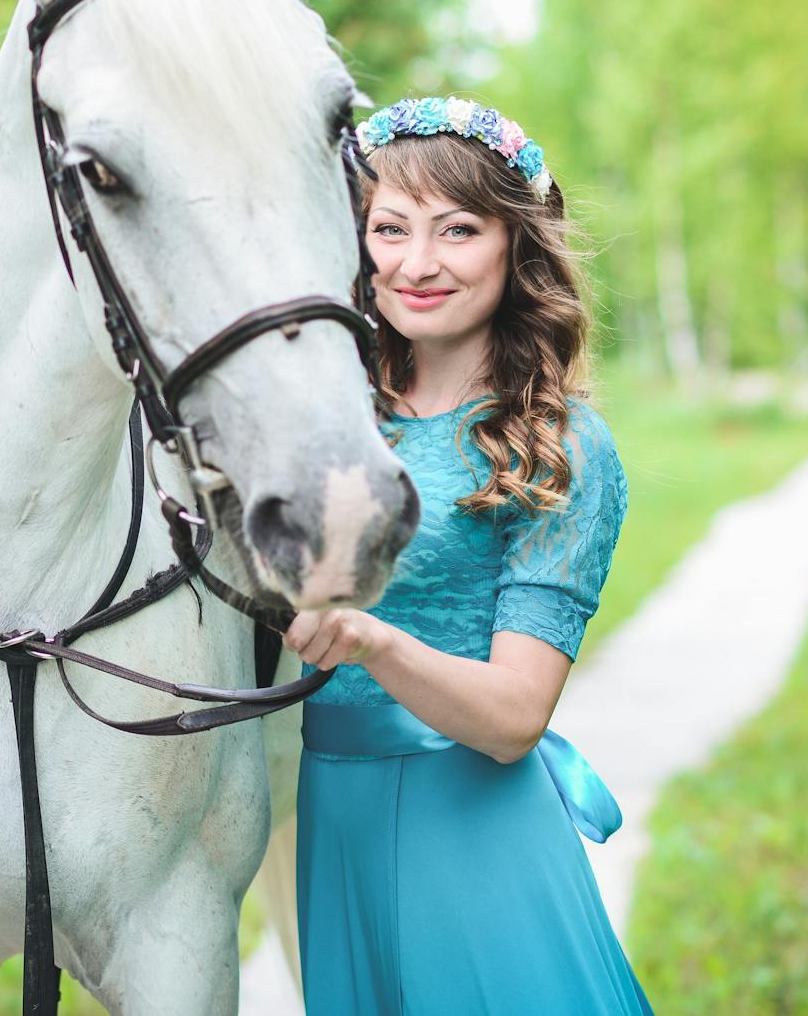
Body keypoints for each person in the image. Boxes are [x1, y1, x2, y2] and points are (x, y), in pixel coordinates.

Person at [285, 96, 652, 1014]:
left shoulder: (558, 445)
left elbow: (515, 718)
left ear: (513, 245)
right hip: (333, 819)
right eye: (390, 227)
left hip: (474, 828)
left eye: (457, 230)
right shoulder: (325, 421)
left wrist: (376, 643)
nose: (417, 263)